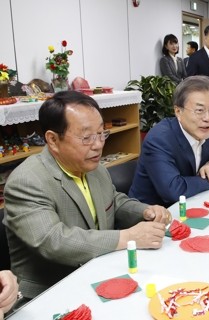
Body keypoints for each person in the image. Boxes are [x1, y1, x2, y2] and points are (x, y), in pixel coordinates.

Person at [3, 91, 171, 301]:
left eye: (101, 133)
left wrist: (144, 211)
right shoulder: (27, 181)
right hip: (50, 292)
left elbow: (113, 202)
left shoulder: (94, 168)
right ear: (53, 140)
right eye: (86, 137)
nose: (98, 144)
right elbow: (54, 240)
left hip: (99, 273)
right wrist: (127, 237)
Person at [129, 76, 209, 207]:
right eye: (199, 111)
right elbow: (173, 190)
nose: (208, 118)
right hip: (152, 217)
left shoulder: (203, 131)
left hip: (191, 204)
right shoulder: (159, 139)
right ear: (178, 111)